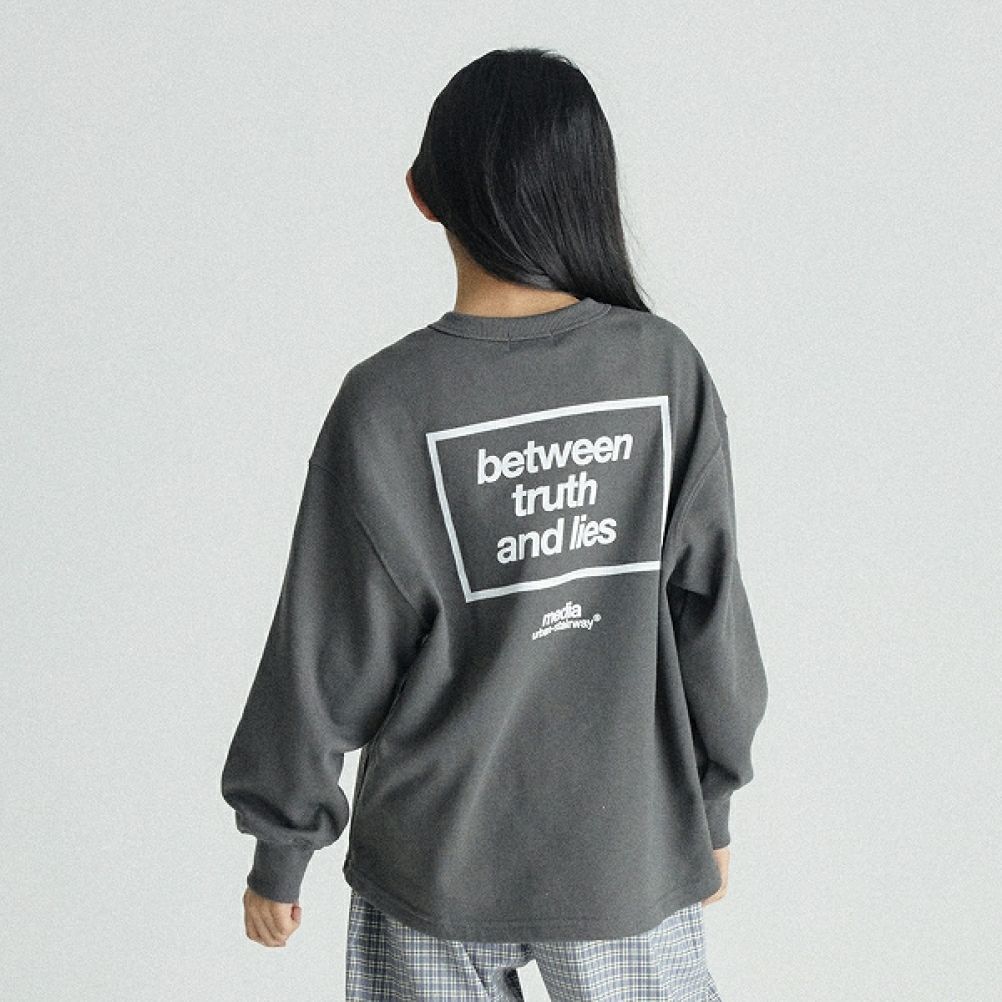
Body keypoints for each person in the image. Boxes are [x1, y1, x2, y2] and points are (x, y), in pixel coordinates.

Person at [220, 45, 768, 1001]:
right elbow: (711, 618)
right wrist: (710, 807)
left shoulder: (388, 401)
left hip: (434, 861)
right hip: (624, 851)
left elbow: (325, 645)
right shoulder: (662, 369)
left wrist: (281, 847)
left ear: (423, 193)